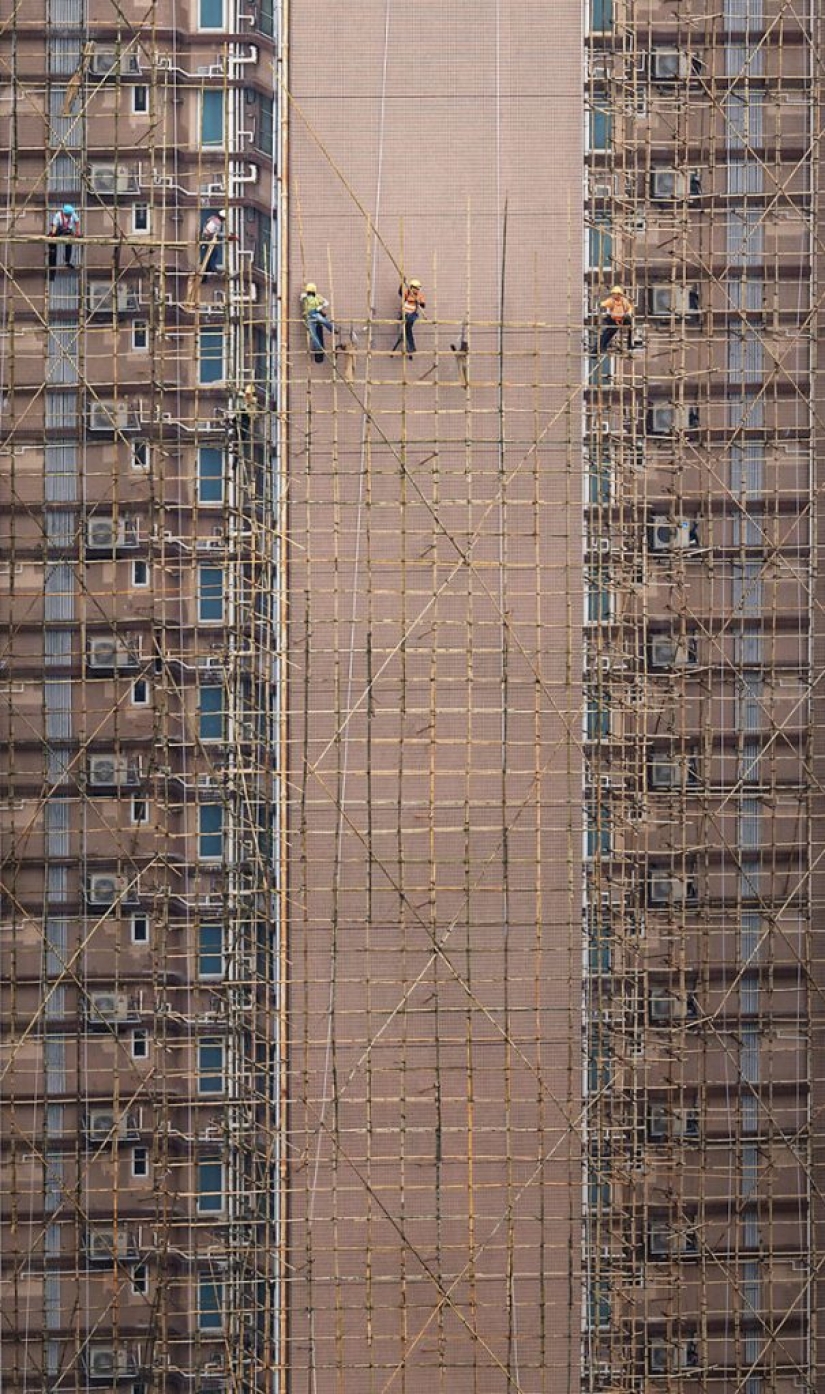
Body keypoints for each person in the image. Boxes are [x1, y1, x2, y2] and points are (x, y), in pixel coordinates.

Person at [300, 282, 335, 363]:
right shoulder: (305, 297)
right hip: (310, 316)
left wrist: (319, 308)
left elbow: (326, 303)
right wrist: (307, 296)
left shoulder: (317, 297)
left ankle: (332, 329)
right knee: (314, 334)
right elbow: (301, 297)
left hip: (314, 314)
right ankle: (319, 349)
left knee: (316, 331)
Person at [394, 278, 426, 356]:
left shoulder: (420, 296)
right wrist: (402, 283)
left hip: (412, 315)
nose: (418, 290)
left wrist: (418, 302)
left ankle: (410, 347)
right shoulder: (407, 293)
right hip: (405, 314)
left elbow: (423, 305)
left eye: (418, 288)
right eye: (416, 288)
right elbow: (400, 293)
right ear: (411, 288)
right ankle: (411, 347)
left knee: (407, 328)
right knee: (408, 330)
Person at [48, 204, 80, 280]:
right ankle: (52, 271)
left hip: (69, 231)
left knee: (69, 243)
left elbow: (77, 222)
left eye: (70, 215)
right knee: (52, 244)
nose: (69, 216)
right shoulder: (58, 215)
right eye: (68, 215)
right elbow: (55, 226)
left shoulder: (73, 214)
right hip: (60, 230)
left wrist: (77, 231)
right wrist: (53, 234)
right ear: (65, 213)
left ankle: (67, 261)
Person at [599, 284, 635, 353]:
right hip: (613, 319)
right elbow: (604, 303)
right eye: (612, 294)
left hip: (622, 318)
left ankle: (630, 344)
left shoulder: (624, 301)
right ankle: (602, 346)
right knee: (608, 333)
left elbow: (629, 308)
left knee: (631, 327)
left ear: (619, 294)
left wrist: (628, 313)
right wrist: (600, 304)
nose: (613, 295)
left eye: (614, 294)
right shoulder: (611, 300)